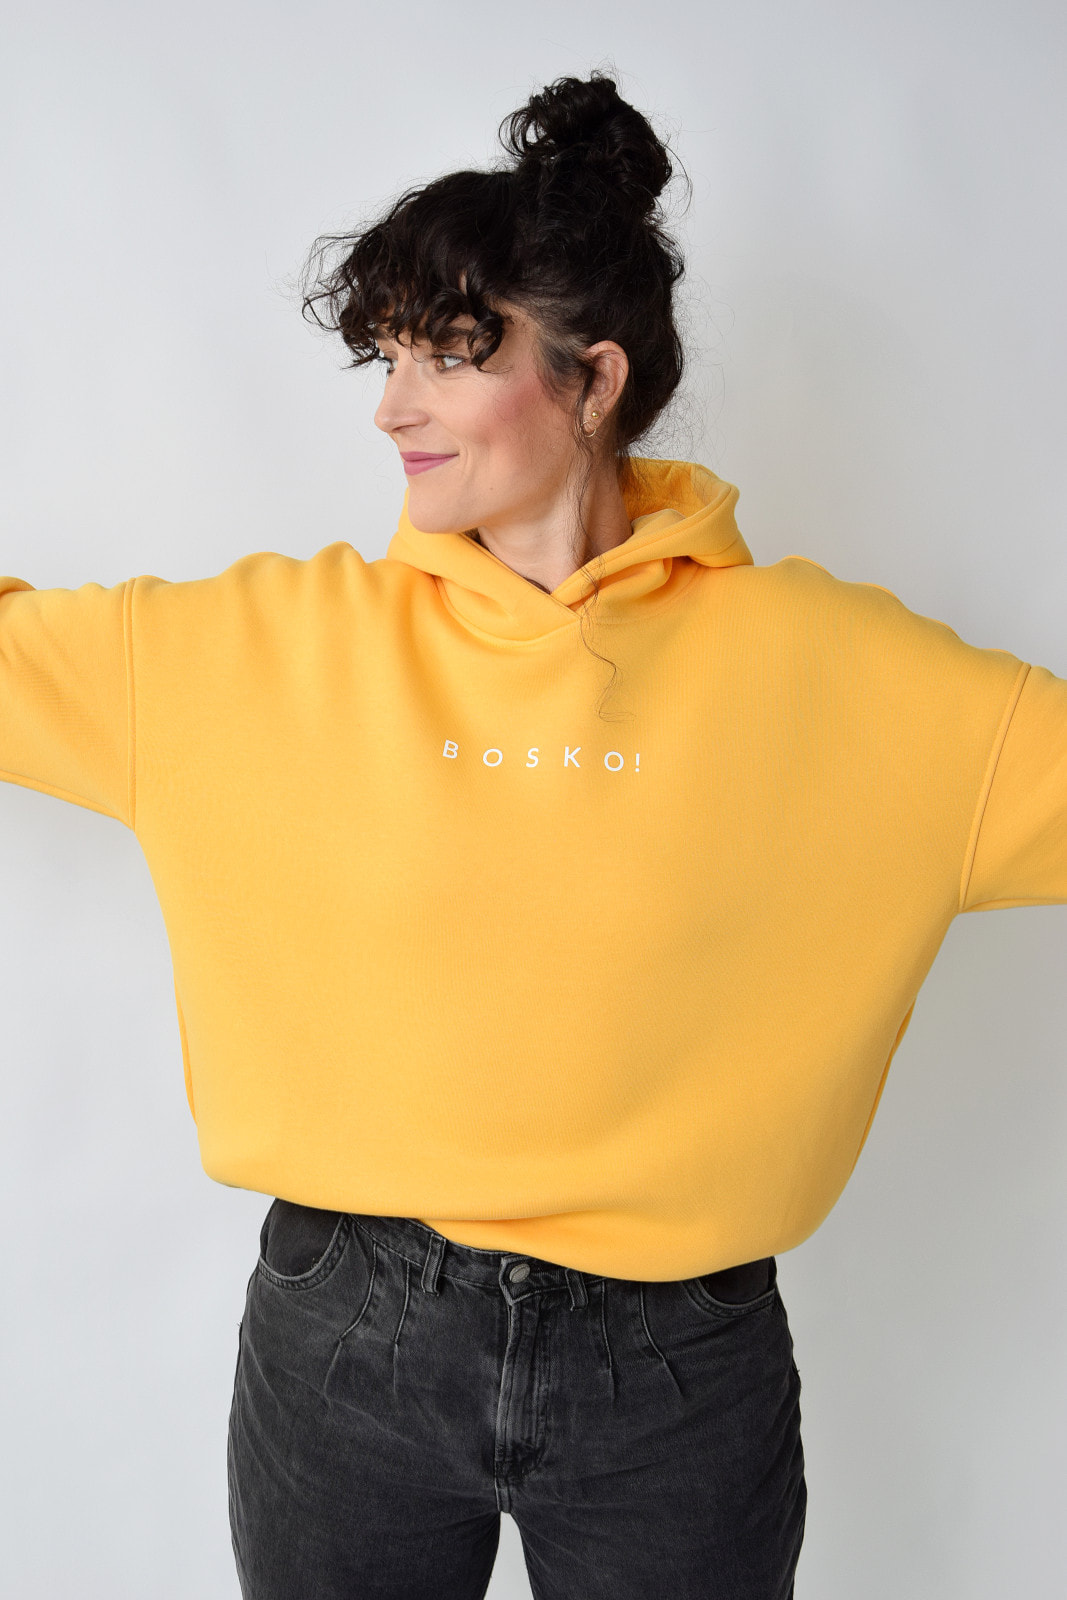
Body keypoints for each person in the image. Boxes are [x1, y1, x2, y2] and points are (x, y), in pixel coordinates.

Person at [1, 67, 1064, 1600]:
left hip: (676, 1367)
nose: (392, 407)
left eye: (449, 353)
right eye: (384, 356)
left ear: (592, 377)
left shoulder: (843, 675)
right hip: (347, 1334)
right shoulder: (259, 649)